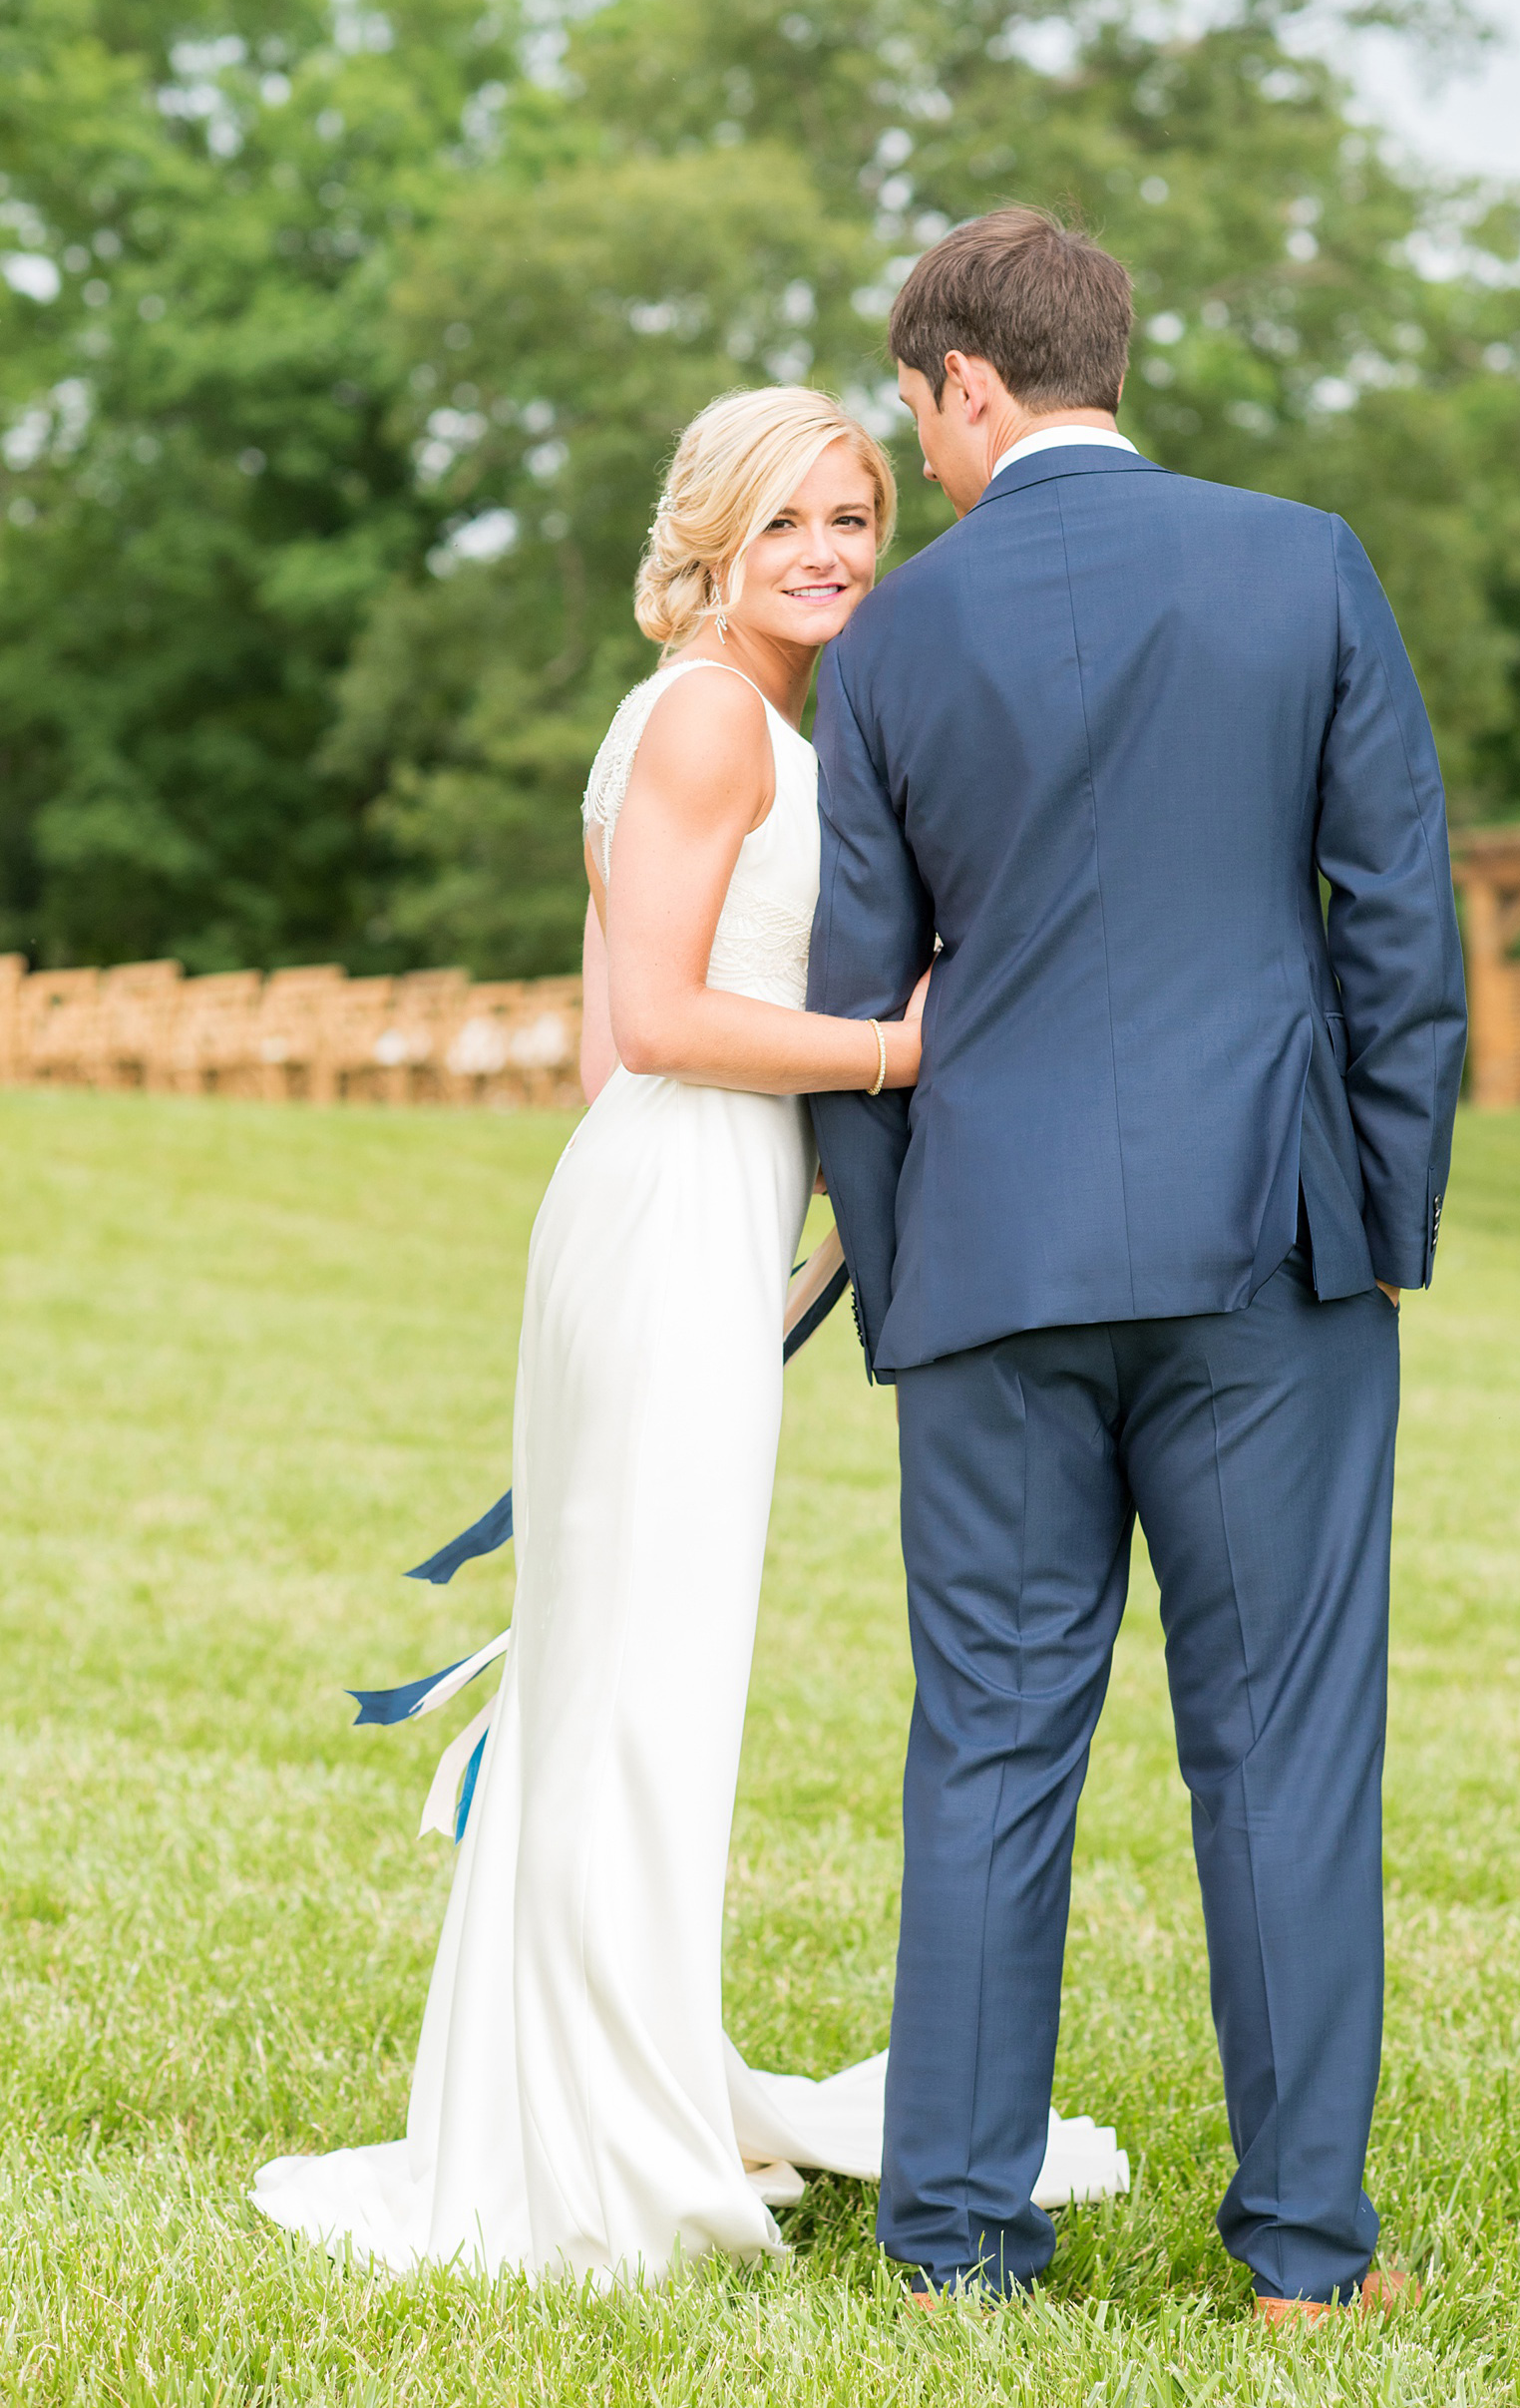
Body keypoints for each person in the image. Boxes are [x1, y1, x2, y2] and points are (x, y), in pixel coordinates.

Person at [251, 383, 1124, 2284]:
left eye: (857, 521)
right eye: (793, 518)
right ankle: (590, 2132)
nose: (830, 552)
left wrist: (778, 1230)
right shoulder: (719, 714)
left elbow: (608, 1043)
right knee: (639, 1688)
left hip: (676, 1217)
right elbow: (652, 1017)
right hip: (662, 1220)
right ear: (714, 531)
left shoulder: (726, 716)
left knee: (639, 1680)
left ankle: (604, 2066)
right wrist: (907, 1048)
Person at [808, 207, 1468, 2320]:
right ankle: (1297, 2258)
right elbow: (1397, 925)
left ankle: (955, 2248)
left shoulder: (894, 641)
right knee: (1282, 1744)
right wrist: (1377, 1225)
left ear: (968, 386)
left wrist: (905, 1284)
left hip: (991, 1263)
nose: (915, 451)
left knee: (987, 1742)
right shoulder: (1304, 562)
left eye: (913, 411)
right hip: (1272, 1253)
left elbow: (852, 1000)